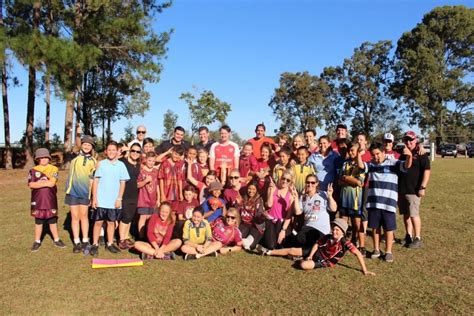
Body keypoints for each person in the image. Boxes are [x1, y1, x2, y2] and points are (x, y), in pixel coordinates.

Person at [357, 142, 412, 263]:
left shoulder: (393, 163)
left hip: (388, 203)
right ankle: (376, 249)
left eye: (377, 154)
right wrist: (358, 155)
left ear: (383, 152)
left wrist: (409, 155)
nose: (375, 157)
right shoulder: (370, 164)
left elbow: (406, 166)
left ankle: (388, 252)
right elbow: (361, 166)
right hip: (374, 202)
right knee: (375, 228)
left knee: (388, 228)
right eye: (373, 155)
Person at [259, 219, 375, 276]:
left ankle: (298, 258)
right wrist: (310, 255)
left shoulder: (345, 243)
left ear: (343, 232)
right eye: (333, 228)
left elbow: (358, 254)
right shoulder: (327, 236)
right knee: (292, 249)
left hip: (324, 261)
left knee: (304, 265)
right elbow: (317, 244)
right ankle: (268, 252)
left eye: (337, 230)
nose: (334, 231)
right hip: (315, 253)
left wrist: (364, 270)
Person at [90, 141, 130, 256]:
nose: (112, 152)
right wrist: (94, 198)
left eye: (114, 150)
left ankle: (109, 243)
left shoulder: (121, 165)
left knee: (111, 223)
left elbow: (123, 183)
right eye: (109, 150)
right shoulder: (101, 164)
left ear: (118, 151)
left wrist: (119, 199)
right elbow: (96, 182)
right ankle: (94, 244)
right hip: (101, 200)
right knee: (98, 223)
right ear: (106, 151)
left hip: (114, 202)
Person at [277, 174, 336, 251]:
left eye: (312, 183)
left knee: (301, 239)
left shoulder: (323, 194)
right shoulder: (303, 197)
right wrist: (295, 197)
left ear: (317, 183)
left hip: (321, 230)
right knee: (298, 239)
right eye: (308, 182)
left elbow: (333, 209)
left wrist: (330, 196)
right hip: (307, 228)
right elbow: (298, 212)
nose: (310, 184)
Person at [29, 148, 66, 252]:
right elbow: (31, 184)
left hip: (50, 199)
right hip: (38, 200)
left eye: (46, 157)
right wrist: (45, 183)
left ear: (49, 158)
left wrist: (39, 184)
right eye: (41, 158)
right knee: (38, 221)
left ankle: (56, 239)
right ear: (37, 159)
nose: (44, 159)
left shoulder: (54, 169)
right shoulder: (33, 170)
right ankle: (37, 241)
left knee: (52, 220)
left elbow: (52, 183)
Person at [398, 131, 431, 248]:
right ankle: (408, 235)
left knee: (413, 214)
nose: (408, 142)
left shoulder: (421, 153)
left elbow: (427, 171)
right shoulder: (402, 152)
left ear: (416, 140)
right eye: (406, 140)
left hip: (414, 189)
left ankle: (417, 238)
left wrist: (423, 187)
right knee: (406, 214)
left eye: (411, 140)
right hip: (402, 189)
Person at [64, 135, 97, 253]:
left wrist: (93, 196)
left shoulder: (93, 161)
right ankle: (76, 241)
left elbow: (93, 180)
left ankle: (85, 240)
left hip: (85, 193)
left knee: (84, 216)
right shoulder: (75, 156)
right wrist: (78, 130)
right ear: (81, 145)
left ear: (92, 147)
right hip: (72, 192)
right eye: (85, 144)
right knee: (74, 217)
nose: (87, 146)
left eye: (89, 145)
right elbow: (76, 144)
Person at [338, 143, 366, 254]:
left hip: (355, 200)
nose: (351, 152)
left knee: (357, 223)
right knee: (343, 223)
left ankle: (362, 246)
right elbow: (339, 181)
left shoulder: (361, 165)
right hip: (344, 198)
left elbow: (359, 183)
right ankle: (343, 244)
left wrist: (346, 178)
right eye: (350, 150)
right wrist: (348, 179)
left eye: (353, 150)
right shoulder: (345, 164)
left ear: (359, 151)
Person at [118, 143, 142, 249]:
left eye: (138, 152)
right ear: (130, 151)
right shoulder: (123, 162)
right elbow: (114, 157)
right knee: (125, 217)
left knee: (130, 217)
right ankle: (121, 240)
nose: (135, 153)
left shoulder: (139, 164)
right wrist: (125, 150)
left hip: (135, 194)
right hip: (125, 194)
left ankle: (126, 237)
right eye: (133, 151)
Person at [263, 170, 295, 250]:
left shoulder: (291, 194)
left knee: (282, 245)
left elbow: (289, 215)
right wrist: (271, 191)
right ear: (280, 179)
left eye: (288, 180)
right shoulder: (273, 189)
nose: (285, 181)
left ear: (291, 182)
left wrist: (283, 230)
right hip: (271, 220)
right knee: (271, 246)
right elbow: (269, 205)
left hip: (282, 222)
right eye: (283, 178)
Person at [136, 152, 160, 240]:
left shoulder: (155, 171)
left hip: (153, 199)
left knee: (152, 218)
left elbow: (157, 185)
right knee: (143, 217)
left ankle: (149, 236)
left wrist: (159, 198)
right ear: (146, 160)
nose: (151, 163)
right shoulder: (142, 171)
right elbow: (137, 185)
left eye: (153, 161)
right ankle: (141, 236)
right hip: (143, 198)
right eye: (149, 160)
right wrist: (145, 181)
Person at [239, 182, 266, 250]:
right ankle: (244, 240)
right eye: (249, 189)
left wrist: (262, 215)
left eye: (254, 189)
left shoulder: (259, 200)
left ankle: (247, 241)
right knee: (239, 238)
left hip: (255, 225)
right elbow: (237, 212)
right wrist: (237, 204)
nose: (251, 191)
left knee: (251, 246)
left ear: (257, 190)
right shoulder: (243, 198)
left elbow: (259, 215)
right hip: (244, 224)